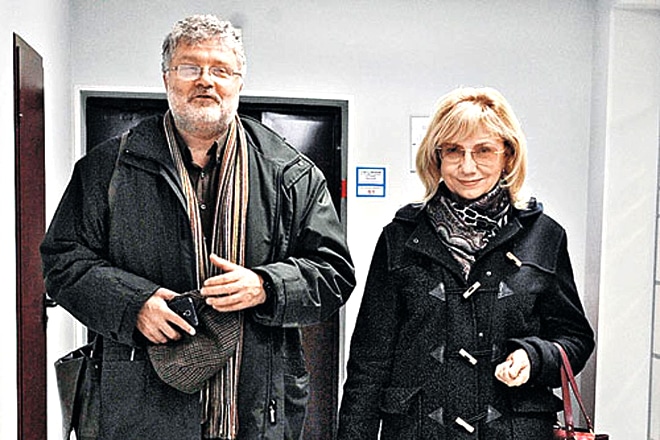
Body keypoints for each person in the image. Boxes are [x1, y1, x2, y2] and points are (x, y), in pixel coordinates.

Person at [41, 14, 355, 440]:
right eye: (190, 67)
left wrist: (267, 286)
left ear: (239, 82)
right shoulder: (107, 168)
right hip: (141, 411)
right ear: (167, 78)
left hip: (257, 408)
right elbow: (63, 263)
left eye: (221, 70)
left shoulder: (290, 173)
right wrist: (133, 305)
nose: (206, 80)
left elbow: (334, 273)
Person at [337, 86, 594, 439]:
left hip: (512, 430)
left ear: (508, 155)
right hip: (419, 431)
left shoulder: (544, 236)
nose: (467, 166)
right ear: (436, 157)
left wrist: (533, 357)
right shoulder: (400, 237)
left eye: (484, 150)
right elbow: (370, 360)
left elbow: (575, 338)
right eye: (454, 150)